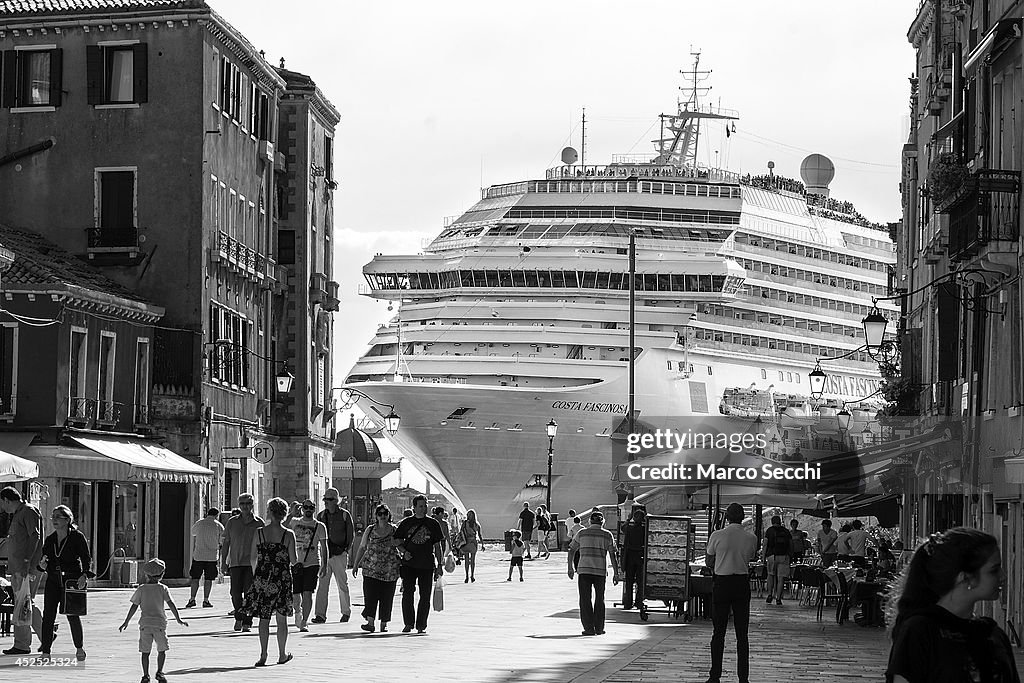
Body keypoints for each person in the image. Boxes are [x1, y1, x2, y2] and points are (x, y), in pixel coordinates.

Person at [886, 528, 1020, 683]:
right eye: (994, 570)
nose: (1003, 576)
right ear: (966, 578)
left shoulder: (993, 635)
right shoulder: (920, 631)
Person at [705, 503, 757, 683]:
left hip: (722, 582)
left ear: (726, 517)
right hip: (741, 583)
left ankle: (715, 675)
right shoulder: (751, 538)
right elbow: (750, 557)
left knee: (718, 632)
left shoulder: (717, 535)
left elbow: (709, 560)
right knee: (742, 634)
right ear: (743, 517)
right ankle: (743, 677)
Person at [241, 497, 296, 667]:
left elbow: (252, 558)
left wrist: (257, 577)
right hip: (282, 579)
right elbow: (294, 560)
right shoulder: (288, 534)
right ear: (284, 514)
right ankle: (281, 654)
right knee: (281, 619)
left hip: (262, 578)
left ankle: (263, 654)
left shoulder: (259, 533)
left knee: (263, 619)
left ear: (270, 512)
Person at [119, 558, 189, 683]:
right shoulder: (163, 588)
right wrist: (179, 619)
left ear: (146, 574)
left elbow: (134, 606)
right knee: (162, 650)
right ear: (162, 574)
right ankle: (160, 672)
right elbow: (171, 604)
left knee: (145, 652)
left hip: (145, 625)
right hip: (159, 624)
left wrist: (126, 621)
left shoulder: (141, 589)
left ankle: (145, 675)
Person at [37, 505, 91, 662]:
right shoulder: (50, 539)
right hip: (53, 579)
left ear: (67, 520)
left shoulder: (77, 537)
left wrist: (85, 575)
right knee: (48, 616)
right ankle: (46, 652)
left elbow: (86, 558)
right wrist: (42, 565)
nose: (54, 520)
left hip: (71, 580)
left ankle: (79, 648)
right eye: (53, 517)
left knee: (72, 614)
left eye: (58, 517)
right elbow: (43, 560)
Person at [392, 494, 445, 633]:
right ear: (414, 507)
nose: (423, 508)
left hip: (426, 564)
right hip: (409, 564)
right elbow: (396, 540)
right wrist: (404, 551)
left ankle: (421, 625)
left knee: (425, 595)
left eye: (425, 506)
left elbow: (438, 545)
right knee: (408, 594)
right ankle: (408, 623)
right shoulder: (406, 523)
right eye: (420, 506)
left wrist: (440, 564)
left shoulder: (433, 524)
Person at [0, 486, 43, 656]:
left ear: (6, 500)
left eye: (3, 504)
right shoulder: (19, 513)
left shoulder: (28, 511)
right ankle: (44, 635)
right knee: (25, 602)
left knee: (24, 603)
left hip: (26, 567)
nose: (3, 509)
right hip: (18, 567)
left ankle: (23, 644)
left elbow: (35, 536)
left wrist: (27, 561)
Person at [567, 510, 620, 636]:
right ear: (603, 522)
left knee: (585, 599)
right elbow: (613, 555)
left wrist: (570, 568)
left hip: (584, 570)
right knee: (599, 599)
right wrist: (616, 573)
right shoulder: (607, 535)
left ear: (590, 521)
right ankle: (599, 628)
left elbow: (571, 550)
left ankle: (589, 628)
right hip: (600, 571)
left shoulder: (582, 533)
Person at [352, 504, 401, 633]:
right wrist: (356, 564)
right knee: (370, 595)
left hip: (389, 570)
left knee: (387, 596)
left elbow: (400, 546)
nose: (383, 516)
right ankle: (370, 622)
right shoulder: (370, 529)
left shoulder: (394, 530)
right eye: (380, 514)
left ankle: (384, 623)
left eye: (385, 514)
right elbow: (362, 547)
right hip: (370, 569)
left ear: (389, 515)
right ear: (376, 516)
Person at [221, 493, 264, 632]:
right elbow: (226, 542)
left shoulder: (259, 523)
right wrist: (223, 562)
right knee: (235, 593)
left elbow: (264, 544)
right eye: (242, 504)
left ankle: (247, 622)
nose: (245, 506)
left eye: (247, 504)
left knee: (249, 593)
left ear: (252, 505)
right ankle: (239, 617)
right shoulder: (232, 522)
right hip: (236, 562)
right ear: (239, 505)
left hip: (252, 564)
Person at [312, 487, 354, 624]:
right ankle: (320, 614)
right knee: (322, 585)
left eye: (329, 500)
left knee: (342, 584)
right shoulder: (321, 516)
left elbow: (350, 535)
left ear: (336, 501)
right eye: (325, 499)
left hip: (339, 554)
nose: (326, 502)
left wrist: (345, 550)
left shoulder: (345, 515)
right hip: (325, 554)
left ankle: (346, 612)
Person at [287, 499, 328, 631]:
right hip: (295, 562)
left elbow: (324, 546)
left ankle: (304, 621)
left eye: (311, 507)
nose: (308, 509)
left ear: (314, 509)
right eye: (306, 507)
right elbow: (281, 527)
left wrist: (325, 564)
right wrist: (291, 513)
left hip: (312, 563)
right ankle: (298, 611)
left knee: (307, 592)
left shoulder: (320, 526)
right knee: (295, 593)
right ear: (302, 509)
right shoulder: (294, 522)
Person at [186, 508, 223, 609]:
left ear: (207, 514)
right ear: (217, 515)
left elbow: (193, 533)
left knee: (195, 578)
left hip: (199, 555)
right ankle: (206, 600)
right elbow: (221, 540)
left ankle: (192, 599)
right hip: (211, 557)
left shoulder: (200, 523)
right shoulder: (218, 525)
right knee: (209, 579)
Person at [762, 515, 792, 605]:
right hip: (784, 556)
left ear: (772, 521)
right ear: (780, 521)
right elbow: (791, 545)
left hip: (772, 556)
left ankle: (770, 594)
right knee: (781, 578)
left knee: (770, 575)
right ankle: (778, 598)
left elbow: (765, 545)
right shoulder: (786, 531)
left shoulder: (769, 531)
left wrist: (763, 557)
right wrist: (791, 555)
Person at [621, 507, 646, 610]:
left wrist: (628, 519)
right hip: (641, 556)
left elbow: (622, 528)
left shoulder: (629, 528)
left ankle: (628, 603)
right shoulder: (645, 529)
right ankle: (639, 602)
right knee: (640, 581)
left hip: (630, 556)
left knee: (629, 581)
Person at [456, 509, 484, 583]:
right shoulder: (476, 524)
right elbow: (480, 535)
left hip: (466, 542)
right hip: (473, 542)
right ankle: (472, 575)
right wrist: (482, 544)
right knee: (472, 561)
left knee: (467, 560)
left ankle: (467, 576)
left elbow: (461, 532)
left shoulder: (465, 523)